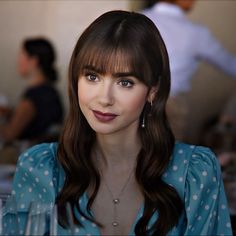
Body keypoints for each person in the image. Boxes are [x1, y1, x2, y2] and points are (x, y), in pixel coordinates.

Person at [2, 11, 232, 235]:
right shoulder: (40, 167)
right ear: (76, 80)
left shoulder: (196, 172)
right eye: (92, 77)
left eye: (125, 82)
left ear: (153, 90)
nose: (104, 98)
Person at [142, 0, 236, 141]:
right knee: (168, 158)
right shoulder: (195, 33)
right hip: (170, 105)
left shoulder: (136, 21)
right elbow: (230, 65)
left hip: (133, 98)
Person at [0, 38, 64, 145]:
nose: (18, 61)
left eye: (21, 55)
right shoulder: (50, 91)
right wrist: (10, 112)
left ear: (34, 61)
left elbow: (9, 134)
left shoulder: (34, 96)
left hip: (33, 158)